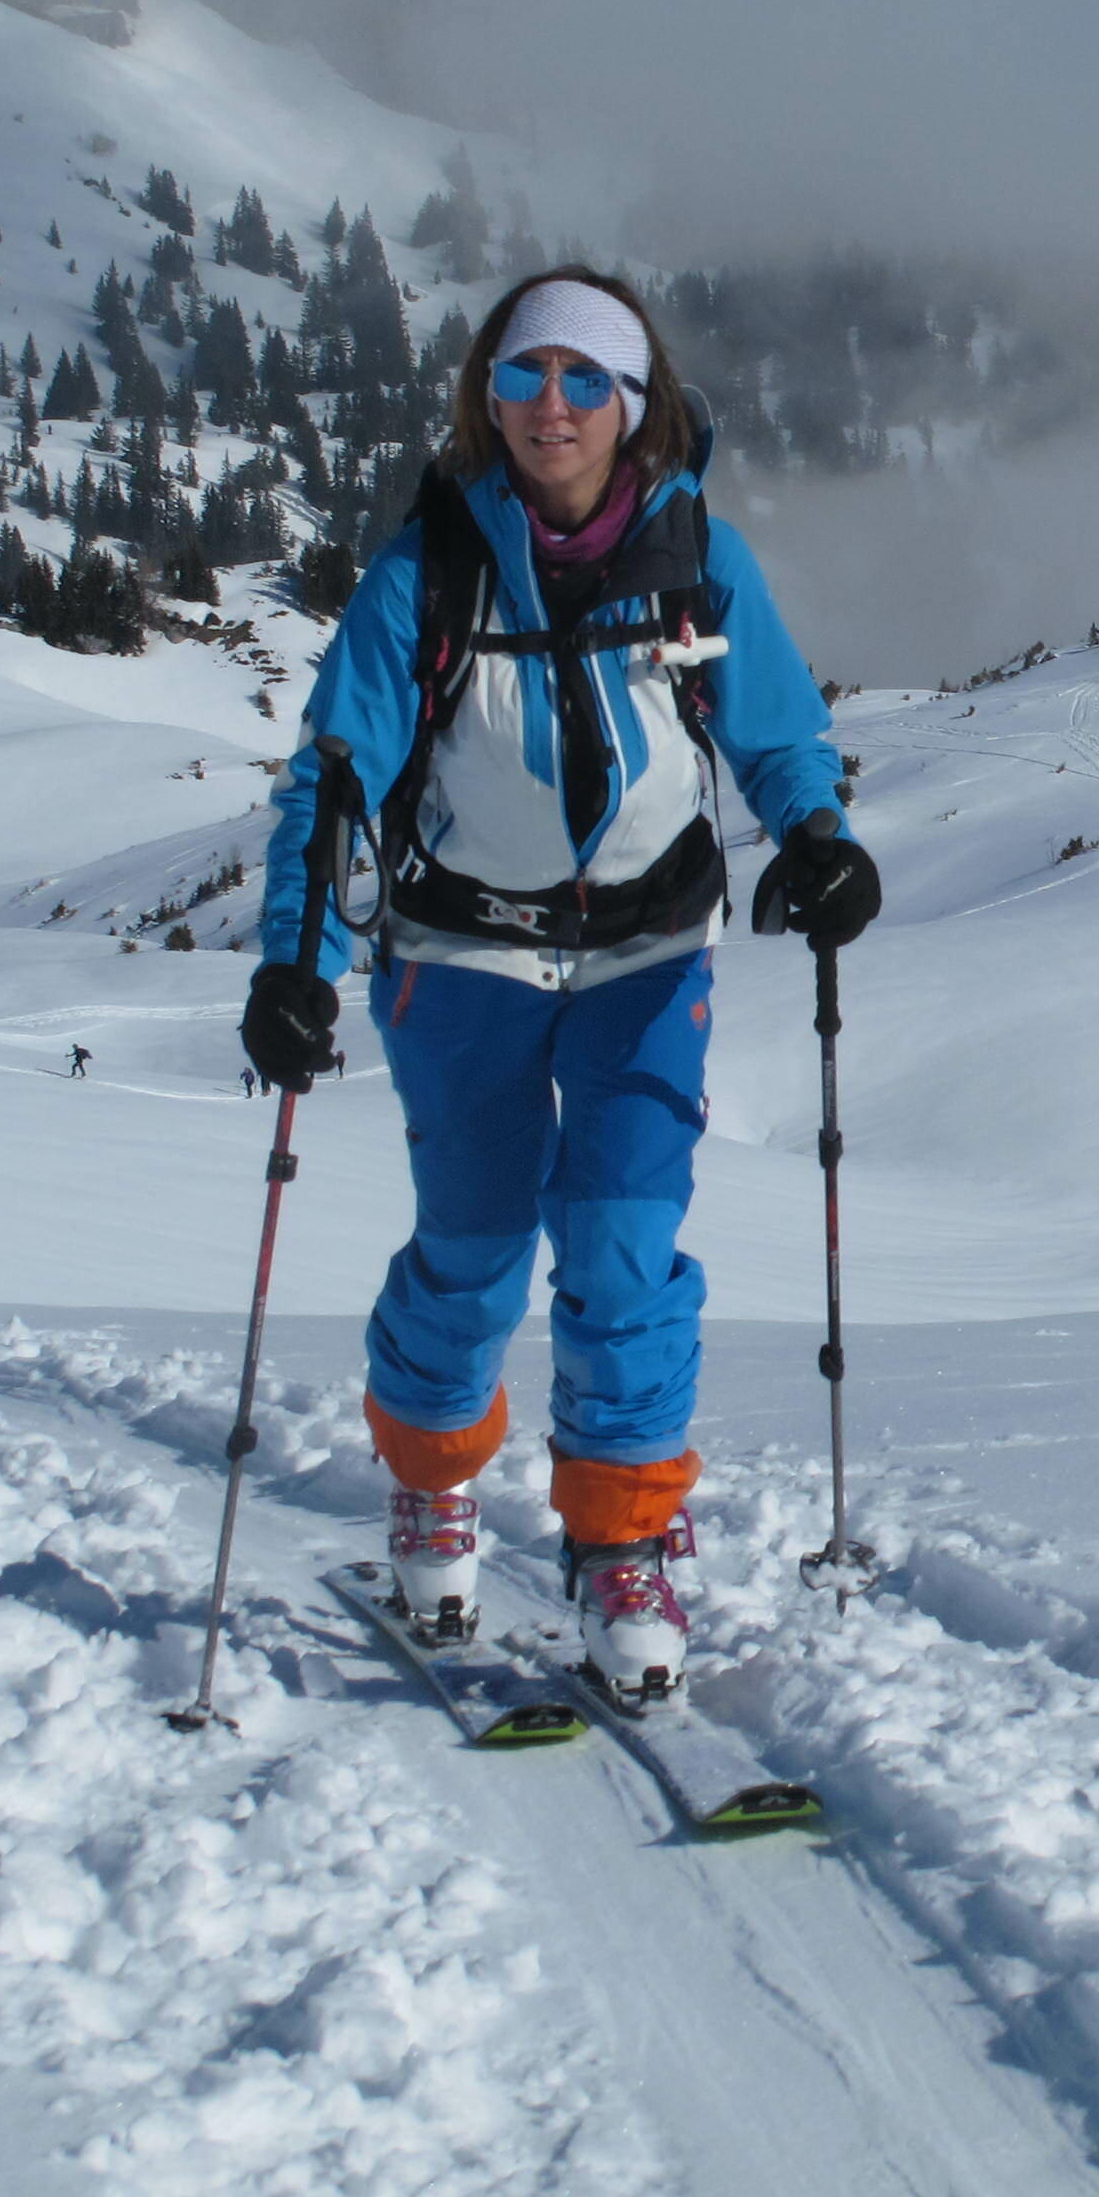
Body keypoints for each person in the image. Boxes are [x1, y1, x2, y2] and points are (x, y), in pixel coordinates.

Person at [242, 268, 879, 1702]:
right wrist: (299, 962)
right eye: (524, 373)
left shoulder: (699, 556)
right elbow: (333, 789)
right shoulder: (427, 572)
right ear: (489, 392)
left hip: (647, 955)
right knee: (471, 1248)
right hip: (462, 951)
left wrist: (819, 838)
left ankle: (623, 1536)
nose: (552, 405)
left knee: (619, 1246)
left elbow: (778, 731)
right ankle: (432, 1481)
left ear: (635, 405)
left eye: (587, 378)